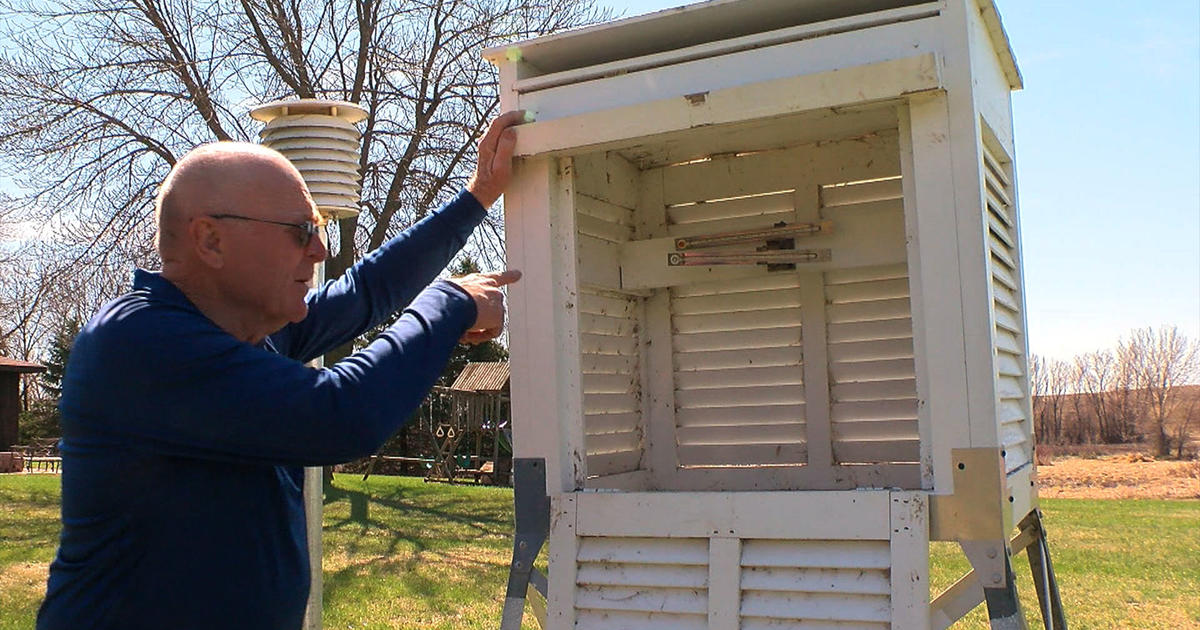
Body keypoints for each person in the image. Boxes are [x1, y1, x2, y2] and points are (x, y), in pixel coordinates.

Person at [37, 111, 527, 630]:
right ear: (210, 241)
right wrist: (450, 302)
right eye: (300, 232)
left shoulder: (244, 330)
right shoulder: (139, 343)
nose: (319, 251)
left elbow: (363, 293)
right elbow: (342, 414)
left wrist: (478, 195)